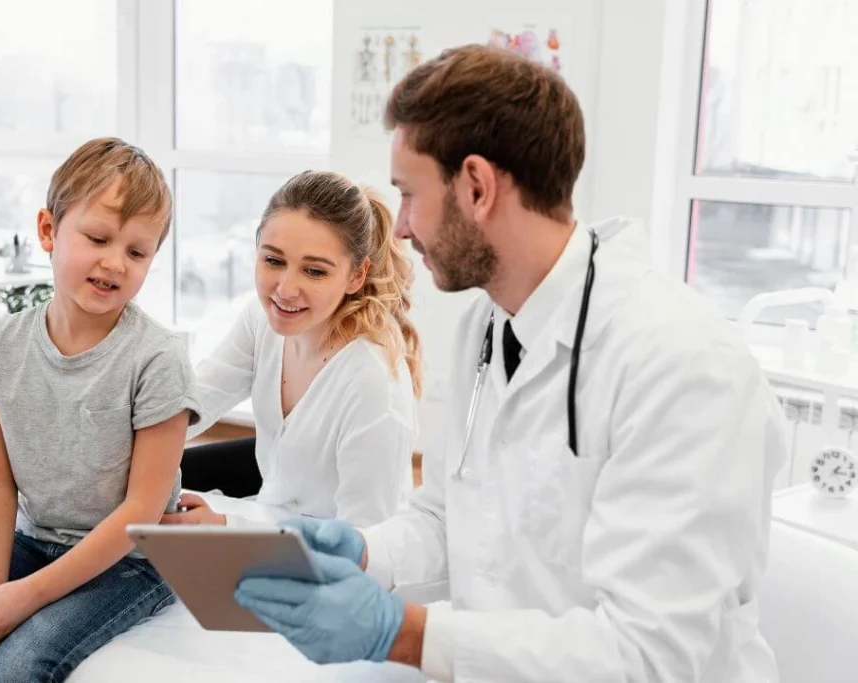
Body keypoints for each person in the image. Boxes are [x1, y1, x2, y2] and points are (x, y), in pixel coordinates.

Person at [233, 45, 788, 682]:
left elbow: (648, 655)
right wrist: (364, 551)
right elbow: (448, 520)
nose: (403, 229)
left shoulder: (681, 364)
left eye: (409, 196)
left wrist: (406, 633)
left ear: (476, 186)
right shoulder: (488, 326)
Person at [0, 138, 201, 681]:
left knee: (18, 669)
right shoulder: (1, 346)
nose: (114, 262)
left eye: (137, 252)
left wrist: (25, 598)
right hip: (33, 541)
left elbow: (140, 512)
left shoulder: (159, 359)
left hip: (133, 562)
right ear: (49, 231)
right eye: (98, 238)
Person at [164, 169, 422, 529]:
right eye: (273, 260)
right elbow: (192, 402)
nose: (285, 289)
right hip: (272, 518)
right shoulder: (261, 320)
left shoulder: (372, 382)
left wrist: (227, 528)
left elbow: (365, 545)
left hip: (331, 564)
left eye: (314, 272)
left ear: (356, 276)